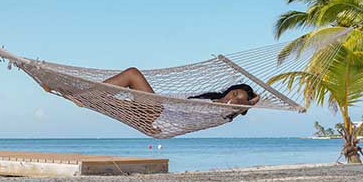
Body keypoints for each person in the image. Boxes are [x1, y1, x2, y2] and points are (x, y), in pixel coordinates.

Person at [103, 67, 261, 109]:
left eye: (239, 100)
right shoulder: (209, 99)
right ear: (229, 90)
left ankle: (90, 96)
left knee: (132, 74)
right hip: (157, 111)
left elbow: (235, 104)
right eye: (234, 93)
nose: (233, 98)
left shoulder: (223, 111)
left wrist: (251, 102)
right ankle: (90, 98)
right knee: (106, 102)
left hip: (157, 111)